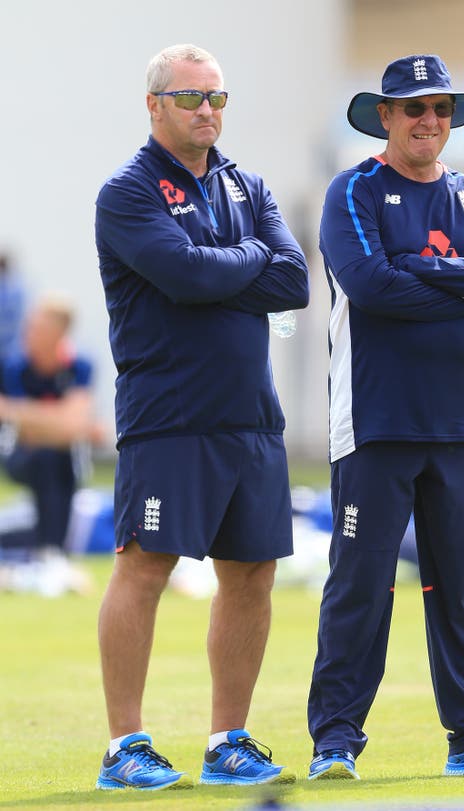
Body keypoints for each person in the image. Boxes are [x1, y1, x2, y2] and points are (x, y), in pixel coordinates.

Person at [306, 54, 464, 781]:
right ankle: (336, 740)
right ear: (385, 116)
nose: (428, 121)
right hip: (376, 419)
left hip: (463, 422)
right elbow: (368, 283)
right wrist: (463, 279)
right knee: (361, 581)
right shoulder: (353, 189)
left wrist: (421, 268)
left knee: (459, 588)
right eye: (413, 109)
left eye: (439, 109)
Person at [94, 44, 309, 791]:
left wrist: (228, 258)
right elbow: (182, 277)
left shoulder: (246, 185)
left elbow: (295, 279)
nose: (207, 111)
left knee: (251, 573)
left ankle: (228, 740)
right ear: (155, 105)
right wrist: (244, 262)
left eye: (217, 98)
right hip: (169, 413)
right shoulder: (127, 192)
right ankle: (125, 745)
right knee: (144, 566)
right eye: (191, 99)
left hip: (251, 416)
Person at [0, 295, 103, 556]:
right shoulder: (14, 365)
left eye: (37, 328)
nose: (29, 333)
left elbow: (75, 425)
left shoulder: (79, 365)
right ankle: (50, 551)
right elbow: (20, 427)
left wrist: (26, 415)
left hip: (68, 460)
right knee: (45, 457)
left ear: (59, 333)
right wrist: (63, 421)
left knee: (57, 458)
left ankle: (52, 552)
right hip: (20, 455)